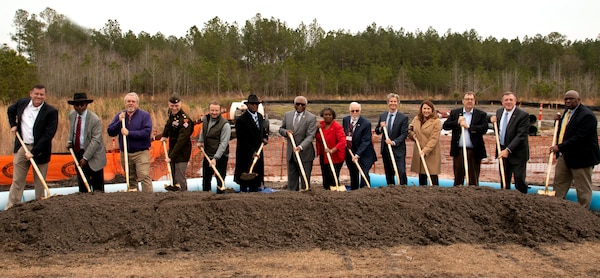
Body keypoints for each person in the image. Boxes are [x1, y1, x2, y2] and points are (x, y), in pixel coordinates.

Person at [4, 85, 58, 210]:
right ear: (31, 94)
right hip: (23, 146)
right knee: (17, 181)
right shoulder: (22, 103)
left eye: (41, 94)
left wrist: (34, 151)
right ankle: (11, 208)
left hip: (40, 149)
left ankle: (40, 209)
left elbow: (49, 134)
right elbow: (10, 110)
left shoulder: (51, 112)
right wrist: (13, 124)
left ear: (45, 96)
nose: (39, 97)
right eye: (36, 94)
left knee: (39, 182)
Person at [549, 90, 600, 209]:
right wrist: (558, 121)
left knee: (582, 188)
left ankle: (583, 213)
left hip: (582, 158)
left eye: (571, 99)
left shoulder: (587, 116)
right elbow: (566, 131)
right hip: (566, 156)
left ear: (578, 100)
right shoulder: (567, 112)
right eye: (566, 99)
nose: (567, 101)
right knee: (559, 184)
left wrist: (559, 147)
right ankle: (555, 210)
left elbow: (579, 137)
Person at [107, 92, 153, 192]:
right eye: (128, 101)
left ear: (137, 103)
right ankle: (134, 200)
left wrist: (129, 133)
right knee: (130, 178)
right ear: (125, 103)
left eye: (133, 101)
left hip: (141, 153)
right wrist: (119, 122)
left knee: (144, 176)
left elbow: (146, 132)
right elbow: (110, 131)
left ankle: (149, 200)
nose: (130, 103)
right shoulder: (120, 116)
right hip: (125, 153)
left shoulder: (144, 116)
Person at [442, 92, 489, 186]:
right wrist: (457, 122)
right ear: (463, 101)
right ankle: (457, 194)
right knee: (458, 175)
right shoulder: (455, 113)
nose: (469, 101)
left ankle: (473, 195)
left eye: (471, 99)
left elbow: (484, 128)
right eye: (467, 99)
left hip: (474, 151)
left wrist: (469, 127)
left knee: (473, 177)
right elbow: (445, 126)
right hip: (459, 150)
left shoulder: (481, 114)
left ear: (475, 102)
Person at [489, 91, 530, 193]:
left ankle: (523, 198)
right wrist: (491, 119)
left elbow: (521, 135)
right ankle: (505, 198)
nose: (508, 102)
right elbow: (499, 129)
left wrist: (508, 150)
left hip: (517, 153)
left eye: (511, 100)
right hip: (502, 150)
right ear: (502, 102)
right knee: (504, 178)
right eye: (506, 100)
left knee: (519, 179)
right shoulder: (499, 112)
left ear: (515, 101)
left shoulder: (523, 115)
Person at [67, 93, 107, 193]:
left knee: (97, 186)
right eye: (77, 105)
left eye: (82, 105)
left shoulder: (95, 119)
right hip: (78, 151)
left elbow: (96, 140)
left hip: (94, 154)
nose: (79, 107)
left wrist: (85, 157)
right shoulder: (72, 115)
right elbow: (72, 130)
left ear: (86, 105)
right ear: (73, 106)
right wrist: (69, 141)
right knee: (83, 183)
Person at [278, 96, 317, 191]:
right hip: (291, 153)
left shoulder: (311, 118)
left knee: (305, 179)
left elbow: (310, 136)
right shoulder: (288, 115)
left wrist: (300, 147)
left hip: (305, 154)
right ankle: (293, 197)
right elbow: (281, 129)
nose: (300, 106)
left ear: (306, 106)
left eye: (302, 104)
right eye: (297, 104)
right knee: (292, 181)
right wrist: (285, 132)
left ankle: (305, 196)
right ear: (294, 104)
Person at [234, 94, 269, 193]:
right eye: (253, 104)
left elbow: (263, 131)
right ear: (248, 105)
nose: (255, 106)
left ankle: (255, 194)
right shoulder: (242, 120)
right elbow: (242, 139)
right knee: (245, 180)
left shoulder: (259, 116)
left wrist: (265, 138)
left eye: (257, 104)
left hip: (258, 152)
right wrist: (252, 152)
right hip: (245, 155)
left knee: (256, 179)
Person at [161, 95, 194, 191]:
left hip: (182, 152)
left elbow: (181, 141)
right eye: (172, 106)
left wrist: (171, 156)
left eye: (176, 106)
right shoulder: (172, 114)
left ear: (180, 104)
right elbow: (169, 124)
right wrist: (164, 135)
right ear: (169, 105)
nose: (174, 108)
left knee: (180, 177)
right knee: (173, 175)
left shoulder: (185, 120)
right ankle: (174, 195)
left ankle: (183, 196)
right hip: (173, 149)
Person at [374, 93, 408, 185]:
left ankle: (403, 189)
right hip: (386, 150)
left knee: (401, 172)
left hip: (398, 150)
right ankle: (390, 191)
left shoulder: (403, 118)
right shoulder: (383, 116)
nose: (393, 103)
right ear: (388, 103)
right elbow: (377, 131)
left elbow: (404, 134)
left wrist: (393, 142)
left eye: (395, 101)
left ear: (398, 103)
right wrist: (381, 128)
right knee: (389, 173)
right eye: (391, 101)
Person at [198, 100, 230, 193]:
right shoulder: (206, 119)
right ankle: (206, 199)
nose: (214, 113)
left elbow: (223, 143)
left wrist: (215, 158)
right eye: (212, 110)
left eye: (216, 110)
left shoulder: (225, 125)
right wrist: (200, 141)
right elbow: (203, 130)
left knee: (220, 181)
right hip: (208, 154)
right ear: (209, 110)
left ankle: (220, 200)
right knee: (206, 181)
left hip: (221, 157)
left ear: (220, 110)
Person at [343, 102, 377, 190]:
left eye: (357, 111)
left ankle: (365, 192)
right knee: (353, 173)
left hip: (364, 154)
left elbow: (366, 141)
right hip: (350, 152)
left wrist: (357, 155)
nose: (354, 113)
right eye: (352, 111)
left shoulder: (366, 123)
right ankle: (354, 192)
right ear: (349, 111)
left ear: (360, 111)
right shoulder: (345, 120)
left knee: (363, 174)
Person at [408, 100, 441, 186]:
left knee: (432, 175)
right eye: (424, 108)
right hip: (419, 150)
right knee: (422, 175)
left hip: (431, 153)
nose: (426, 111)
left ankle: (435, 193)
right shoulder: (416, 119)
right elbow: (409, 130)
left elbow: (434, 139)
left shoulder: (436, 122)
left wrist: (425, 151)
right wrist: (412, 135)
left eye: (428, 109)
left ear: (432, 110)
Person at [315, 107, 346, 190]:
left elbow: (342, 141)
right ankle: (326, 192)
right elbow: (316, 137)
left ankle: (335, 192)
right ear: (322, 116)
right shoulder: (320, 125)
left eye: (330, 115)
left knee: (333, 176)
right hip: (324, 155)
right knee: (325, 175)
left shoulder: (337, 126)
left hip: (335, 156)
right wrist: (316, 129)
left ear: (333, 116)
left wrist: (332, 150)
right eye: (325, 115)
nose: (327, 116)